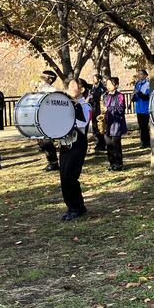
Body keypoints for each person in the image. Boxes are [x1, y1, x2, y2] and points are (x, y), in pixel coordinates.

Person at [59, 78, 92, 221]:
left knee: (70, 177)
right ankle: (71, 206)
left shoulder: (86, 106)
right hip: (65, 144)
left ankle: (77, 207)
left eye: (73, 86)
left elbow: (82, 124)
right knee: (64, 178)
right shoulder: (67, 104)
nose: (70, 88)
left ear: (82, 89)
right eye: (70, 85)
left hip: (77, 144)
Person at [102, 76, 127, 171]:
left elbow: (120, 109)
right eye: (107, 84)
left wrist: (108, 109)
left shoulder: (120, 96)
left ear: (116, 85)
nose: (108, 86)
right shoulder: (105, 96)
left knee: (116, 145)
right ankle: (112, 163)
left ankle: (119, 164)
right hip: (107, 124)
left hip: (116, 124)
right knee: (109, 145)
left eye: (110, 84)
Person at [37, 70, 60, 172]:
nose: (42, 79)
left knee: (47, 140)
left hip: (49, 117)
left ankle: (53, 162)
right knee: (42, 141)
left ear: (50, 80)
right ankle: (51, 161)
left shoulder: (53, 90)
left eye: (44, 78)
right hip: (41, 116)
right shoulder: (40, 89)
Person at [134, 69, 151, 149]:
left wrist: (138, 92)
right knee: (141, 127)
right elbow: (136, 96)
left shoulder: (148, 84)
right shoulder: (137, 84)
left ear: (145, 75)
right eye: (138, 74)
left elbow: (146, 97)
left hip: (145, 109)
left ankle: (147, 142)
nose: (139, 76)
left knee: (145, 126)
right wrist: (133, 96)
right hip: (138, 108)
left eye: (141, 74)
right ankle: (143, 142)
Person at [89, 74, 107, 151]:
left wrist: (93, 96)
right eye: (93, 78)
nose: (93, 80)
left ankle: (102, 144)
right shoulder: (92, 87)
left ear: (99, 79)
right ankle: (98, 143)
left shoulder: (102, 88)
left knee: (100, 127)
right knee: (95, 127)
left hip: (99, 109)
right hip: (94, 108)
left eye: (95, 78)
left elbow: (101, 98)